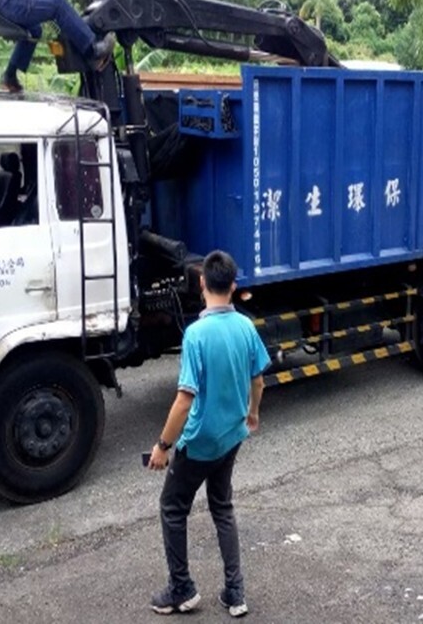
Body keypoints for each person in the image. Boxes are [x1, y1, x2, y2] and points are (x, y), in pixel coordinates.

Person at [147, 250, 270, 618]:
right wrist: (252, 415)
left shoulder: (196, 335)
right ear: (233, 286)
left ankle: (182, 589)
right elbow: (259, 380)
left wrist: (162, 446)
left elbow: (185, 401)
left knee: (172, 508)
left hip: (198, 444)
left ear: (202, 283)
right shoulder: (246, 327)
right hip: (231, 438)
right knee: (222, 507)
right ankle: (235, 593)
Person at [0, 0, 115, 93]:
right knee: (57, 4)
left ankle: (9, 77)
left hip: (4, 3)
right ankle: (93, 51)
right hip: (7, 4)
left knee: (35, 30)